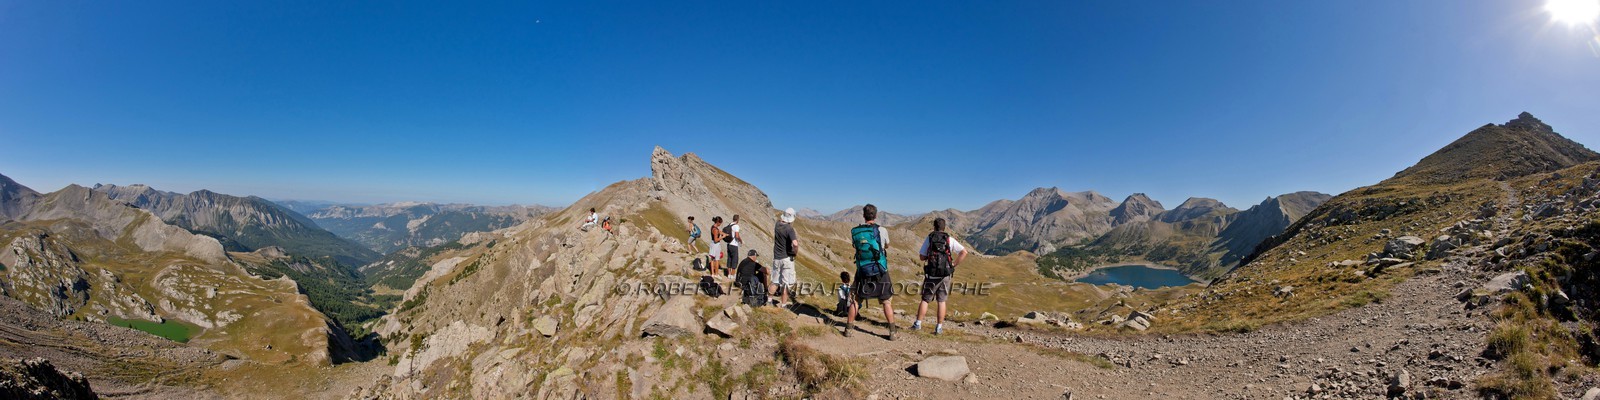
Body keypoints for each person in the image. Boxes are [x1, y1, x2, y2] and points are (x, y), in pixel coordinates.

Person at [845, 204, 897, 339]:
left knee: (856, 300)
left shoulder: (857, 232)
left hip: (863, 270)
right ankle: (892, 332)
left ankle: (848, 329)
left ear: (864, 215)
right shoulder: (882, 230)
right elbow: (886, 246)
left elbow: (855, 246)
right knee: (886, 301)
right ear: (876, 215)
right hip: (879, 270)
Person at [912, 217, 968, 335]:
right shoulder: (949, 239)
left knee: (925, 300)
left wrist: (930, 258)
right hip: (945, 274)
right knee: (941, 301)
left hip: (931, 274)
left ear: (934, 227)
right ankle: (938, 328)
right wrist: (953, 264)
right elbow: (964, 252)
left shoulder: (930, 238)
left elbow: (922, 257)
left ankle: (917, 324)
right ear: (944, 227)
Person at [772, 208, 800, 308]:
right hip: (786, 258)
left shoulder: (777, 224)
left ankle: (769, 299)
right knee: (785, 284)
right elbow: (795, 243)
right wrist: (795, 252)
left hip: (776, 257)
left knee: (775, 281)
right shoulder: (789, 229)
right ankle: (783, 305)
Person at [724, 215, 743, 279]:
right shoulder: (736, 226)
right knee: (735, 259)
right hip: (734, 245)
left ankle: (728, 274)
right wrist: (741, 240)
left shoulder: (730, 224)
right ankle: (733, 274)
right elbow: (737, 236)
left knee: (729, 258)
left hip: (729, 244)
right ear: (737, 220)